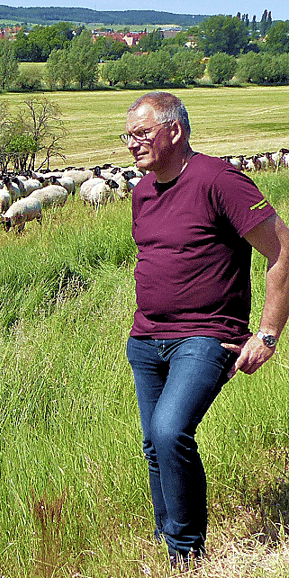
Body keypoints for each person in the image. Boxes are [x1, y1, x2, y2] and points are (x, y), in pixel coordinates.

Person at [123, 91, 289, 569]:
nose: (132, 144)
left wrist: (268, 332)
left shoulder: (219, 180)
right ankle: (164, 537)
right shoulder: (142, 191)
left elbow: (283, 253)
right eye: (128, 136)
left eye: (141, 134)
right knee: (155, 442)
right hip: (147, 339)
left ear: (174, 130)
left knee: (172, 430)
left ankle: (185, 552)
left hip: (207, 335)